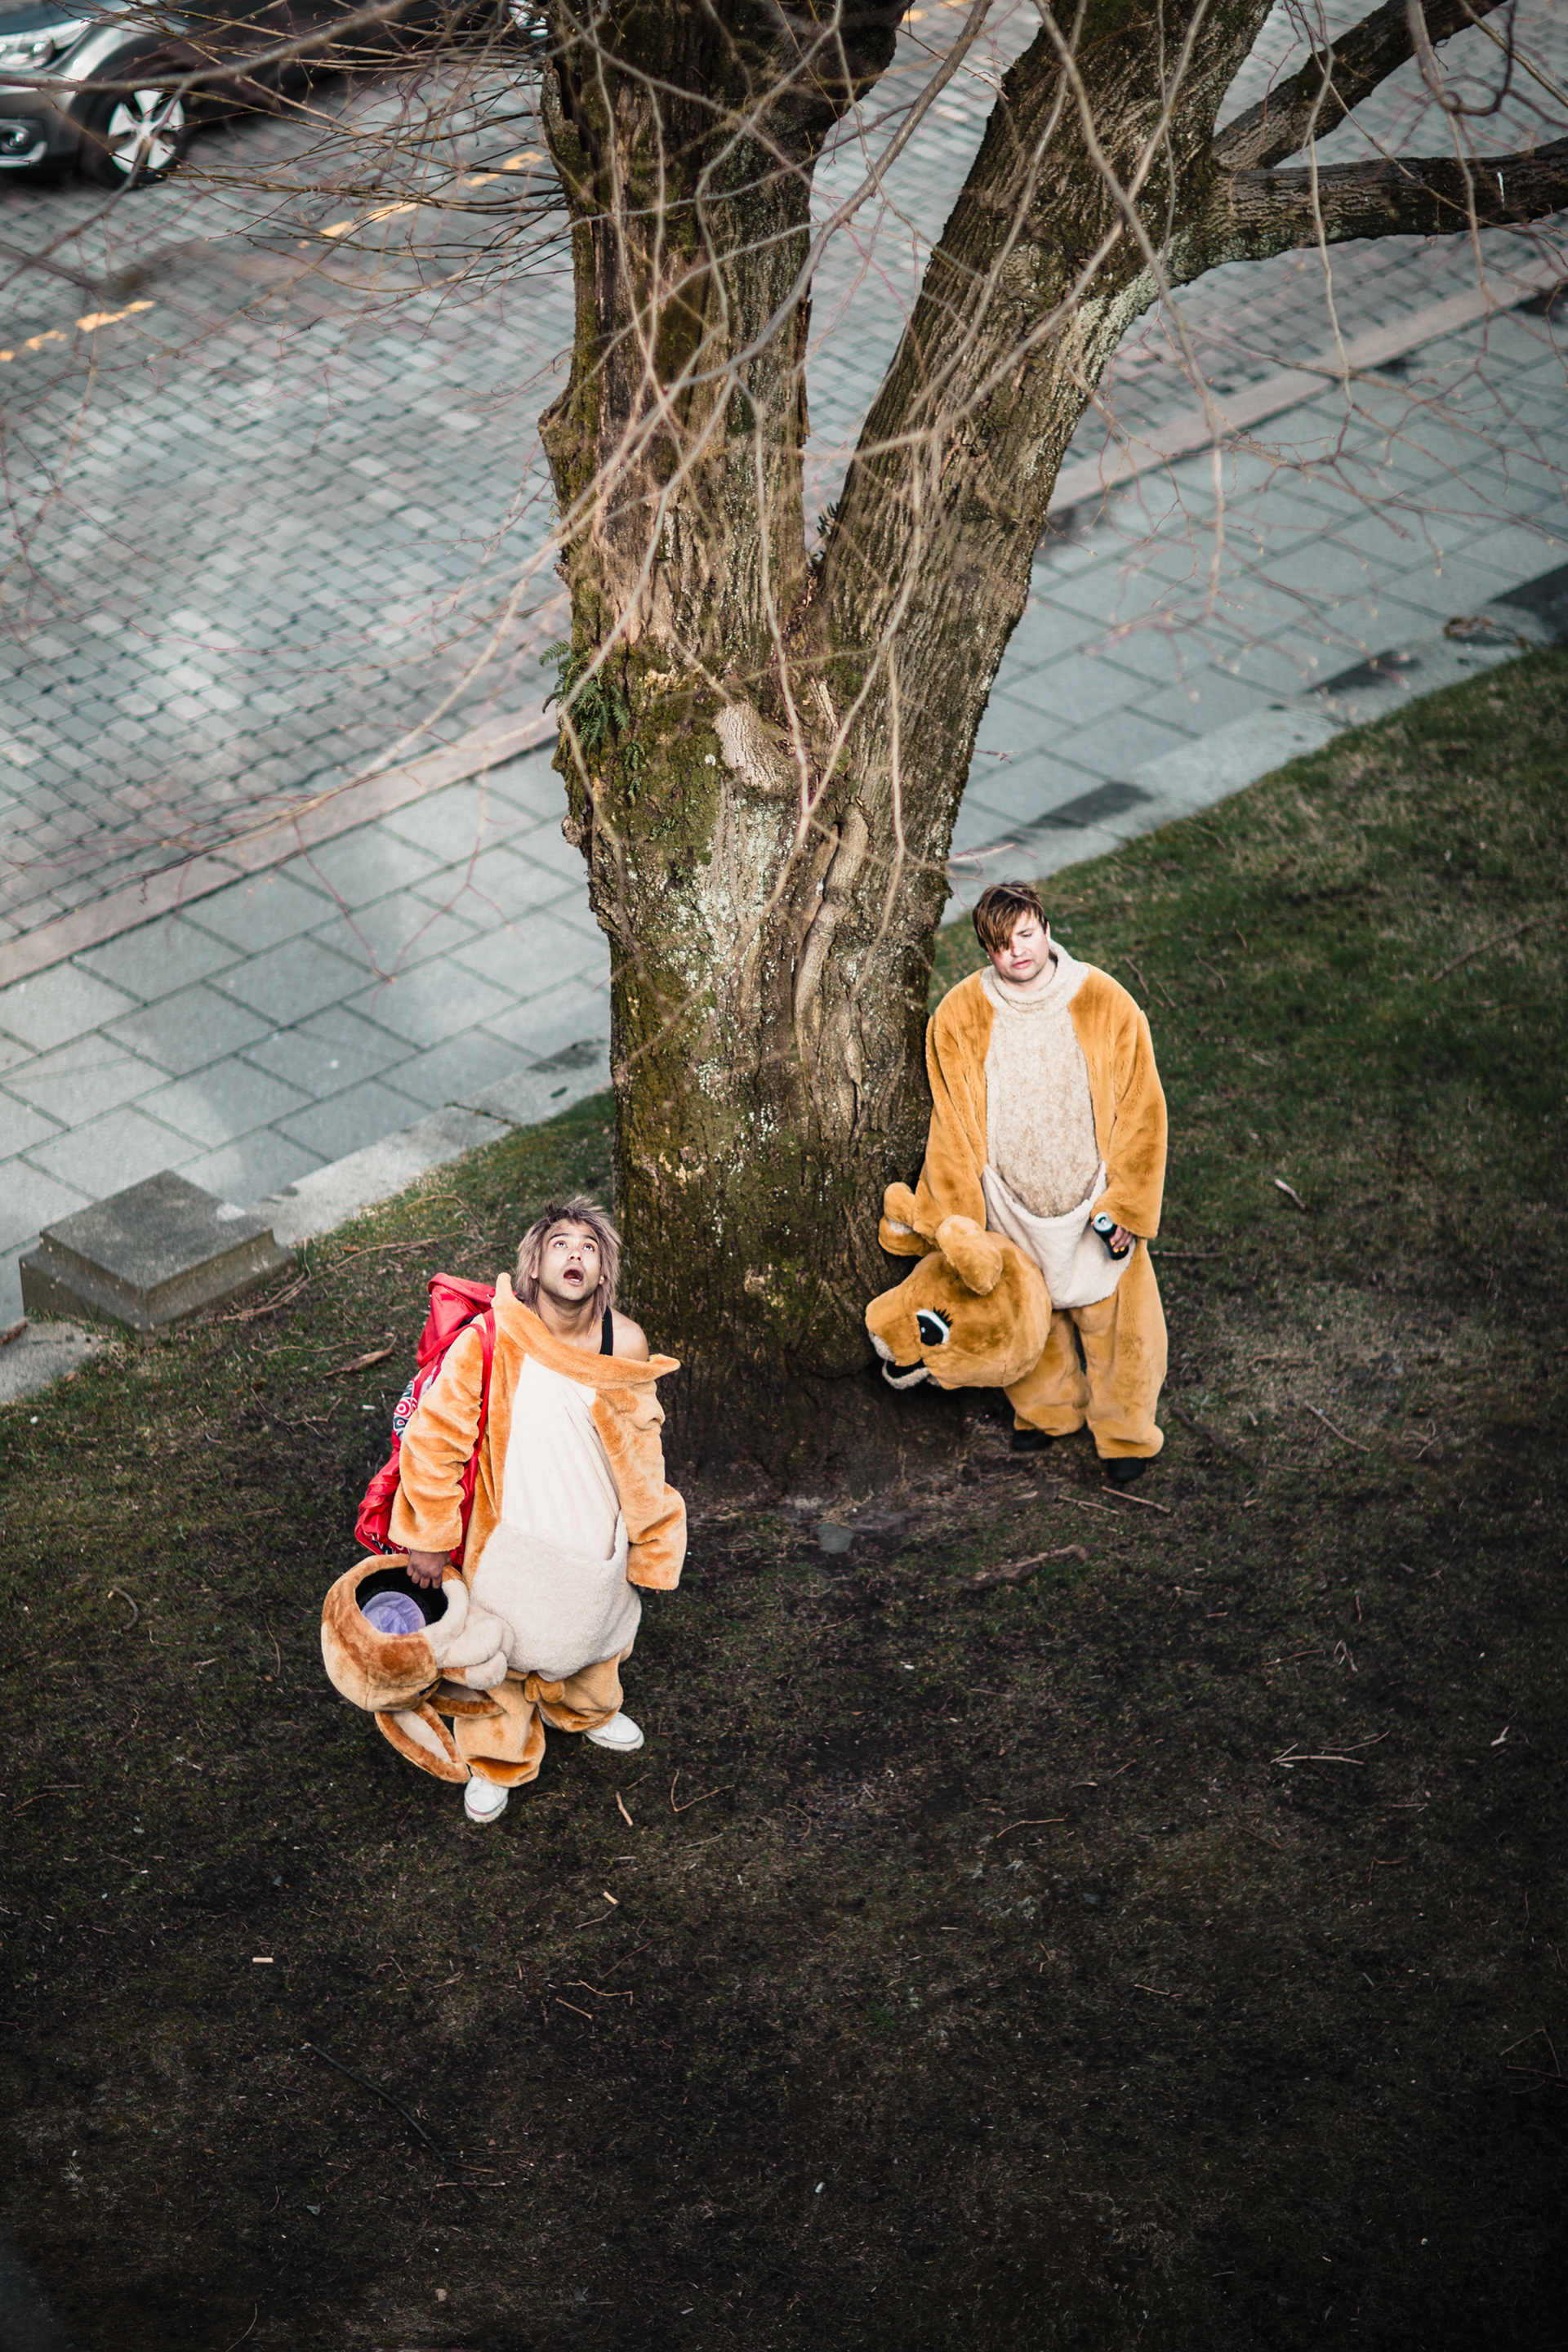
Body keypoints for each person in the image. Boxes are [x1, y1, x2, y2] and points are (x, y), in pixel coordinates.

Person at [390, 1196, 686, 1824]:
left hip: (593, 1526)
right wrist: (429, 1536)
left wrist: (653, 1534)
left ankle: (587, 1710)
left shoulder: (626, 1341)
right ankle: (496, 1757)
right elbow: (435, 1439)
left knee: (596, 1631)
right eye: (560, 1244)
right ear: (533, 1268)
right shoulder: (491, 1339)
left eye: (589, 1247)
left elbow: (642, 1443)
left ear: (602, 1273)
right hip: (510, 1534)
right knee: (496, 1650)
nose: (575, 1253)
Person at [905, 880, 1168, 1481]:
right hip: (1008, 1199)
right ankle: (1049, 1411)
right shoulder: (960, 1016)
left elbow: (1142, 1110)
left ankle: (1125, 1431)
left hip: (1093, 1194)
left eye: (1025, 935)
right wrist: (955, 1217)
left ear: (1046, 928)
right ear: (987, 950)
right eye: (1001, 945)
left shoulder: (1105, 1000)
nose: (1017, 951)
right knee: (1030, 1317)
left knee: (1115, 1324)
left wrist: (1127, 1204)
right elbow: (951, 1124)